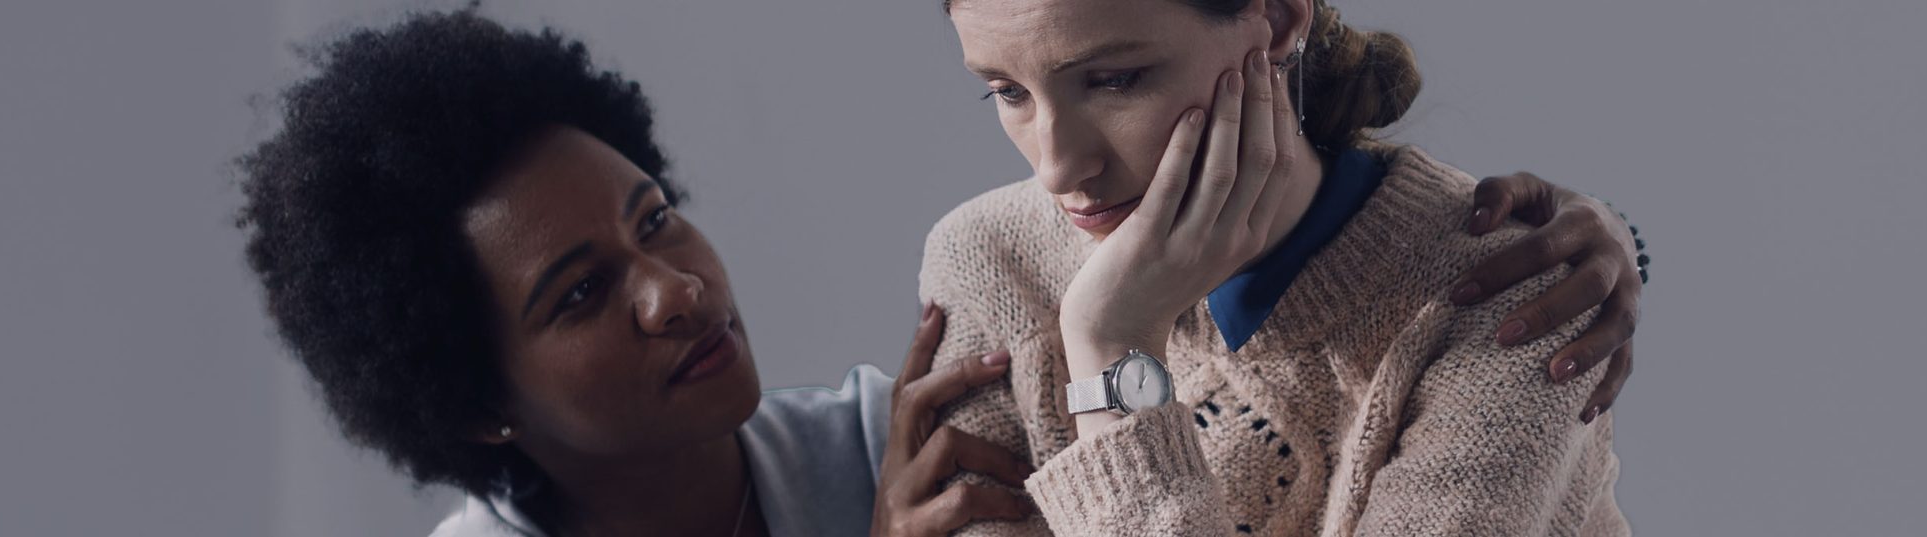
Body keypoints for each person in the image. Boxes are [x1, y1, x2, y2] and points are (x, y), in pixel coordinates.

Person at [234, 9, 1644, 537]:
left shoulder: (897, 437)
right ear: (472, 402)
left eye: (656, 219)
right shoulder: (1002, 290)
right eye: (579, 294)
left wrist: (1594, 240)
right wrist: (1112, 347)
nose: (675, 290)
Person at [911, 0, 1637, 534]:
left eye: (1115, 79)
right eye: (1008, 92)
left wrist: (1111, 353)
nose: (1058, 167)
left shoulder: (1511, 296)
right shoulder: (991, 261)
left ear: (1280, 20)